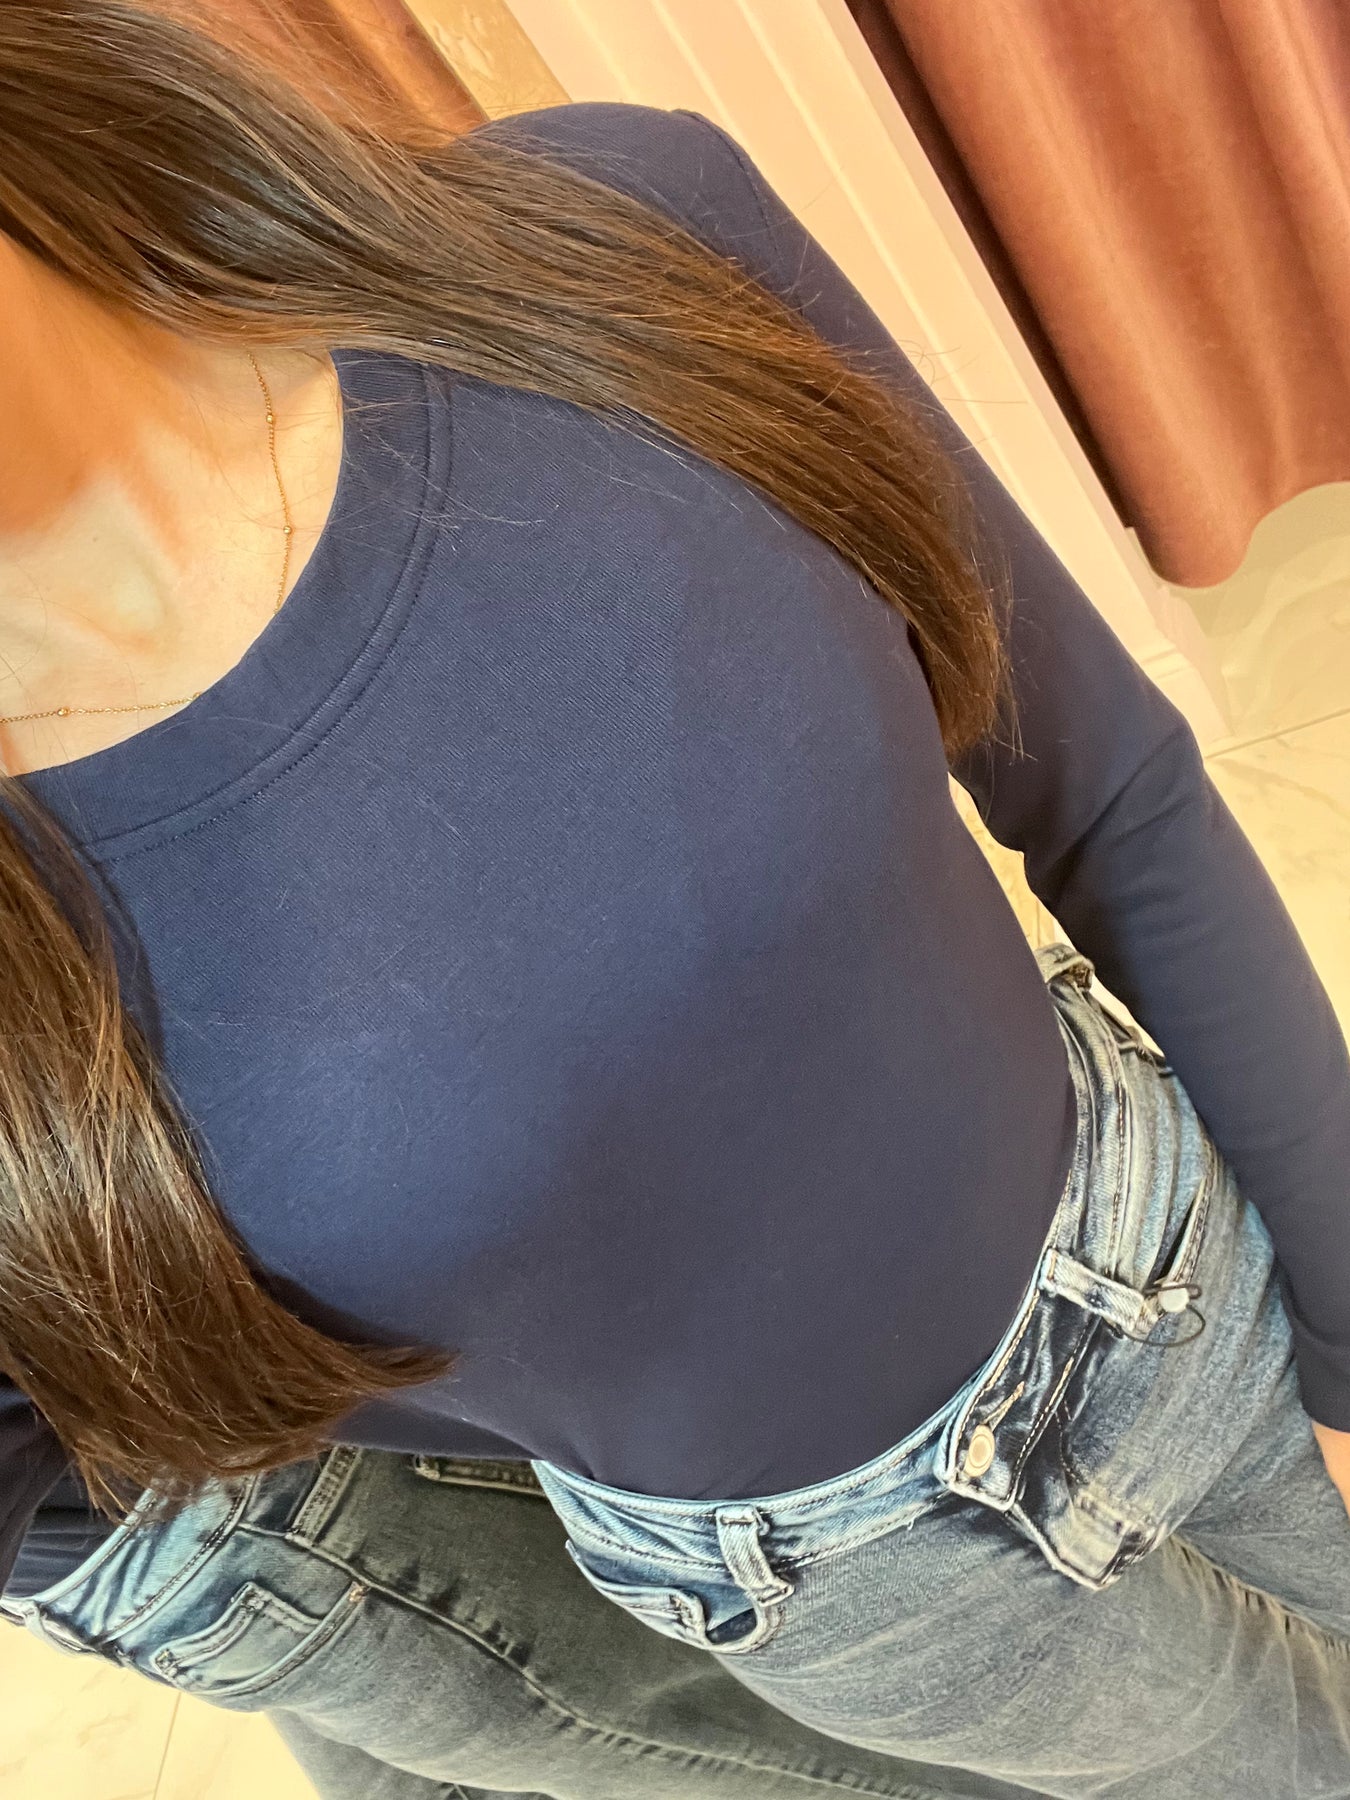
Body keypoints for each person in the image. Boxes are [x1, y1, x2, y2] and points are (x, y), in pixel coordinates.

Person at [0, 5, 1348, 1798]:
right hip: (843, 1588)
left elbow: (1108, 787)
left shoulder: (606, 234)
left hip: (1183, 1250)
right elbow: (127, 1451)